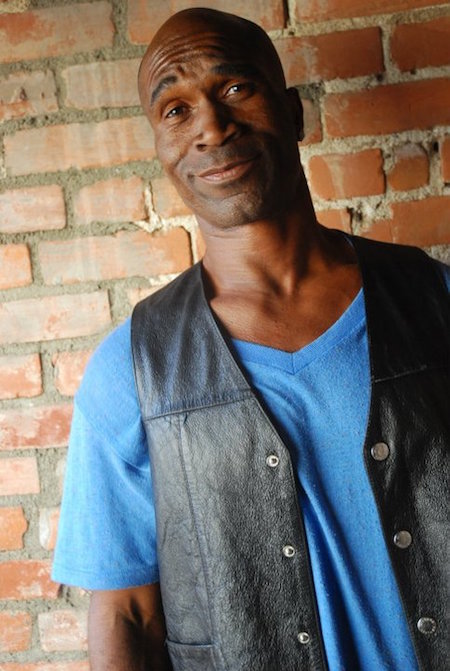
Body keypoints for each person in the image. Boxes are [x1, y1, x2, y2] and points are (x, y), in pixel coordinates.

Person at [52, 8, 449, 671]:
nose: (210, 125)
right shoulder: (132, 368)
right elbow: (126, 609)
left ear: (293, 113)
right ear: (161, 148)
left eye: (236, 87)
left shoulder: (434, 302)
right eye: (175, 110)